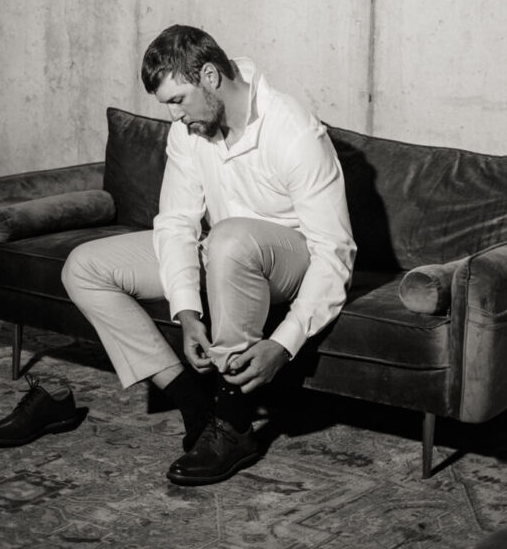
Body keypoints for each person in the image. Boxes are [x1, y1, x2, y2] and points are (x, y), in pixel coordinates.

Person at [60, 24, 356, 486]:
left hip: (290, 262)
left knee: (230, 239)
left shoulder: (294, 131)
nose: (175, 116)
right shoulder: (190, 131)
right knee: (86, 267)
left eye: (178, 100)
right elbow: (176, 222)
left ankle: (234, 421)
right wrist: (187, 311)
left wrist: (285, 343)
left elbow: (334, 253)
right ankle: (197, 409)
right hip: (221, 253)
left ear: (211, 78)